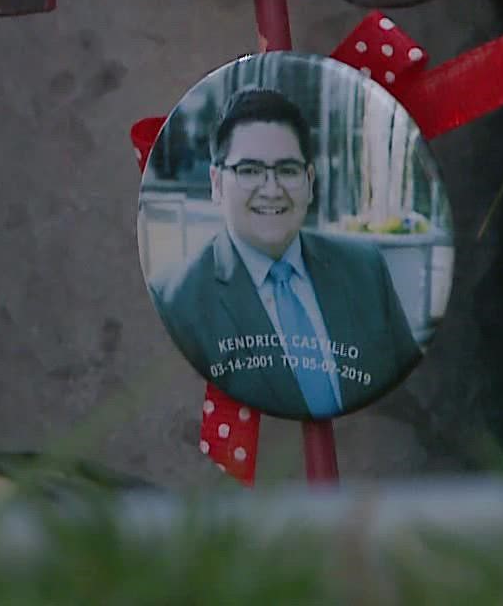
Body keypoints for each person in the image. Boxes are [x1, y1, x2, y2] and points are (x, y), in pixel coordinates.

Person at [154, 88, 420, 418]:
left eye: (288, 170)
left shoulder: (365, 268)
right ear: (217, 183)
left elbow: (412, 394)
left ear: (309, 181)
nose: (271, 189)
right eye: (249, 170)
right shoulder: (178, 303)